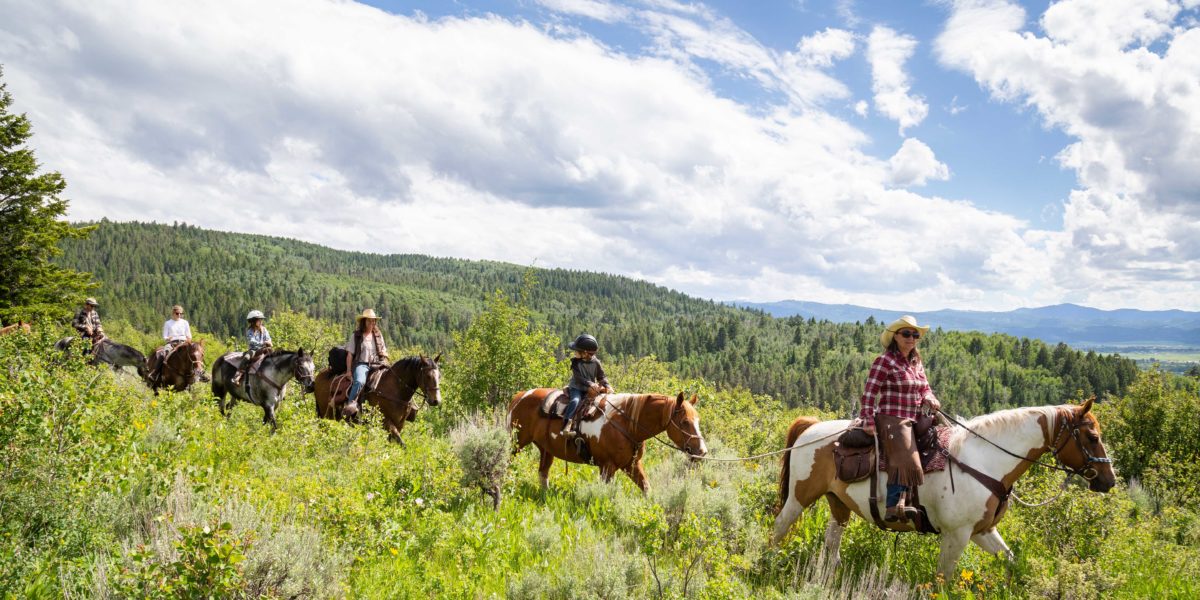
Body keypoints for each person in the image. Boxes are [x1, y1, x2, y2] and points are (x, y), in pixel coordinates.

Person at [859, 315, 941, 522]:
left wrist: (930, 398)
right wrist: (868, 420)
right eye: (906, 333)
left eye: (915, 335)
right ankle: (893, 505)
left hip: (914, 417)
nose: (911, 338)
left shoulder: (916, 363)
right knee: (907, 458)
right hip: (891, 417)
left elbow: (925, 388)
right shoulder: (884, 361)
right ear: (895, 336)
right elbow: (870, 393)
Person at [561, 333, 613, 435]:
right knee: (575, 401)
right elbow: (578, 377)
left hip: (590, 390)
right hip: (576, 387)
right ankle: (567, 423)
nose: (574, 352)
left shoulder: (596, 363)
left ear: (585, 353)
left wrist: (607, 385)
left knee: (601, 403)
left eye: (576, 351)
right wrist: (590, 383)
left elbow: (601, 376)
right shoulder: (575, 362)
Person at [344, 308, 389, 415]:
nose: (372, 323)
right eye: (369, 320)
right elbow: (350, 354)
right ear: (364, 322)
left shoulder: (378, 335)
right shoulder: (356, 336)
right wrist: (349, 371)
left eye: (373, 321)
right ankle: (351, 405)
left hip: (378, 364)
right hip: (362, 364)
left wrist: (385, 355)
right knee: (359, 382)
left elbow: (383, 350)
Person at [150, 305, 193, 384]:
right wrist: (168, 338)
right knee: (163, 354)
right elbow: (164, 336)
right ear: (173, 313)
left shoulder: (185, 322)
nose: (179, 315)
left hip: (183, 343)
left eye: (181, 313)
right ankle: (155, 373)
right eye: (177, 313)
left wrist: (188, 340)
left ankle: (199, 374)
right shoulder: (168, 323)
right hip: (172, 343)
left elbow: (189, 335)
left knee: (195, 353)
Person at [231, 310, 272, 387]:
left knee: (273, 355)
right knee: (247, 357)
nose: (261, 321)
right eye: (259, 320)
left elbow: (268, 338)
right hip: (254, 350)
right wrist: (263, 343)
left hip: (264, 348)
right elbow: (251, 341)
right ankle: (237, 376)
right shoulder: (249, 331)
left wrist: (269, 342)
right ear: (253, 321)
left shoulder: (264, 329)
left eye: (261, 319)